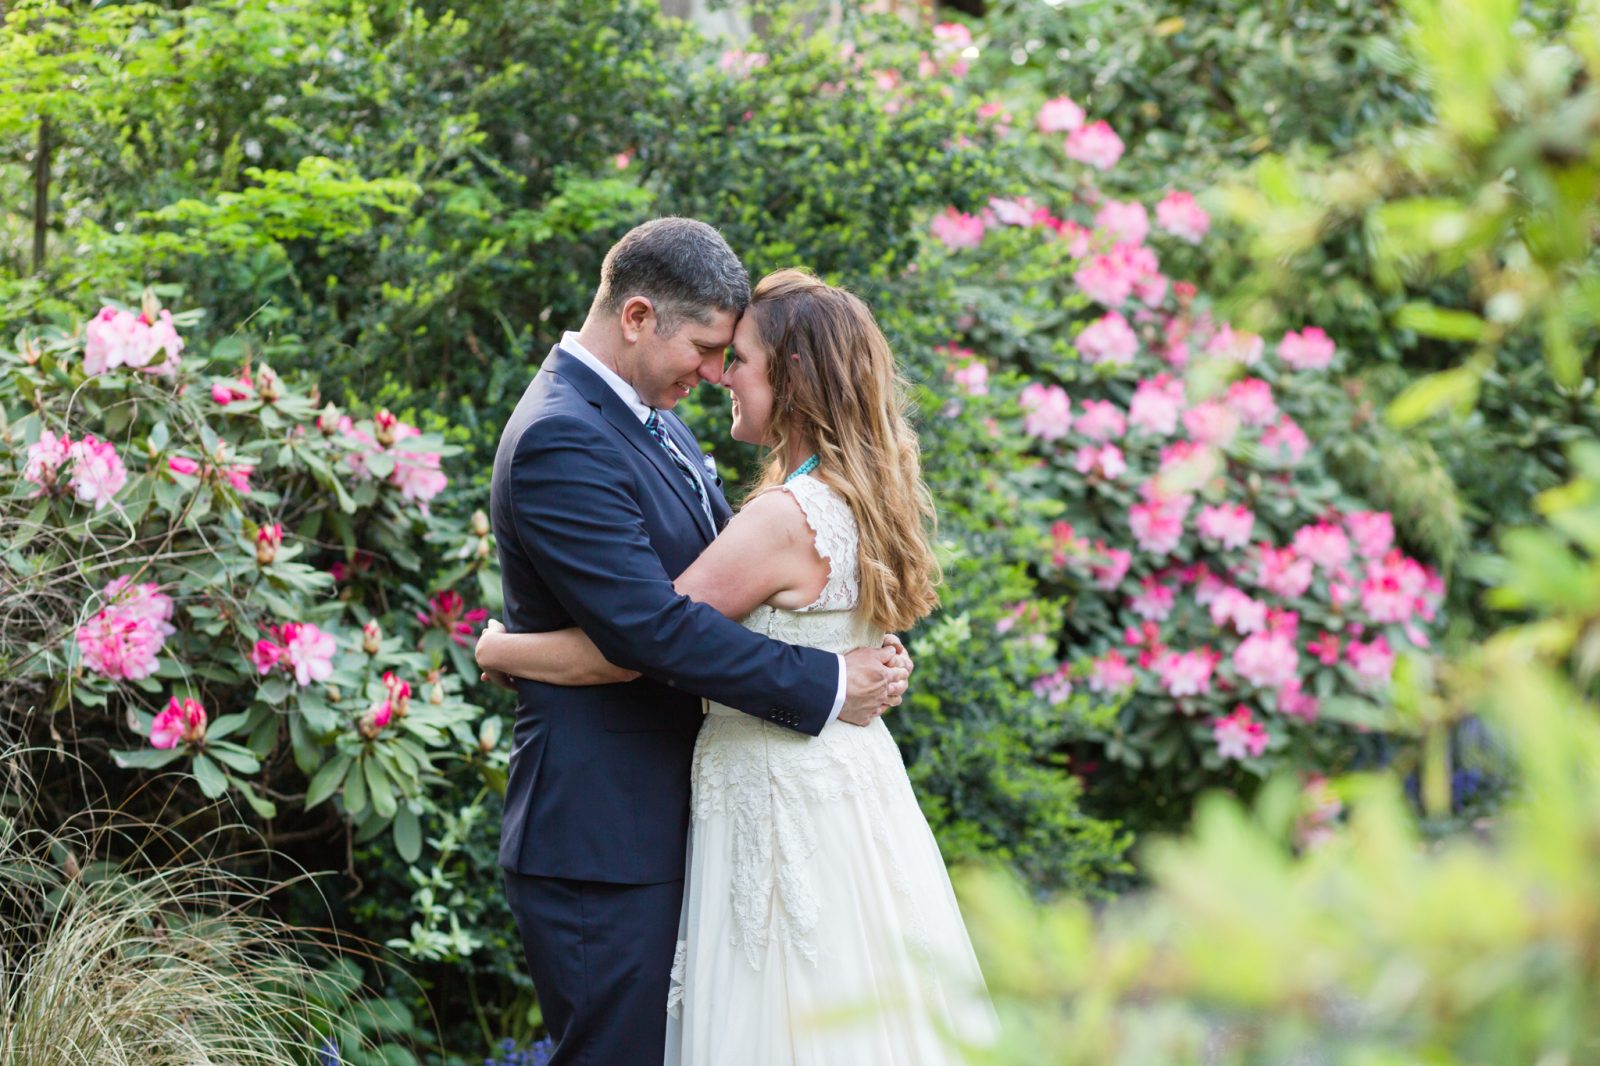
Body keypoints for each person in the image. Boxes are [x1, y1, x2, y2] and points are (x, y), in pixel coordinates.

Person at [480, 267, 996, 1064]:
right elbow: (657, 631)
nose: (716, 372)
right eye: (708, 350)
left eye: (737, 358)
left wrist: (500, 648)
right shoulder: (823, 492)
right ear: (638, 317)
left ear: (791, 379)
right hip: (658, 819)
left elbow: (651, 634)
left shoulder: (766, 497)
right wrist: (835, 676)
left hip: (773, 799)